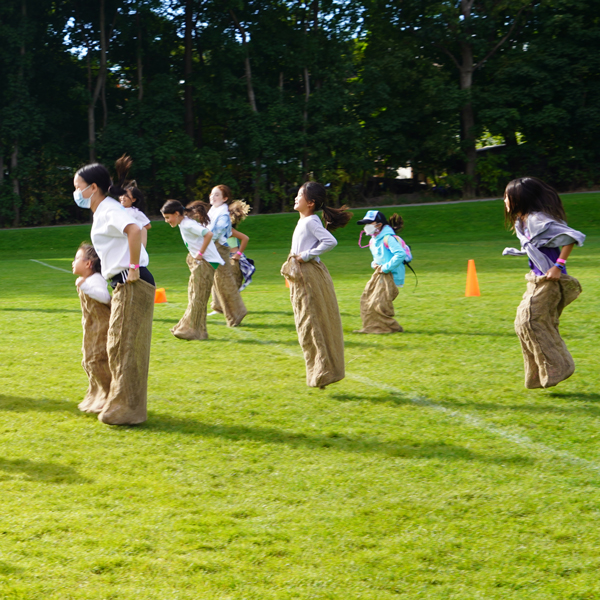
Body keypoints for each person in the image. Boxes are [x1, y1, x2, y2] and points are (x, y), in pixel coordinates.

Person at [73, 160, 155, 425]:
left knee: (124, 347)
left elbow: (135, 228)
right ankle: (118, 404)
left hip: (132, 280)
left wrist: (133, 266)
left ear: (93, 187)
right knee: (118, 346)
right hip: (120, 281)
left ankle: (127, 410)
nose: (76, 193)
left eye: (79, 188)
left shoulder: (109, 208)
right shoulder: (103, 211)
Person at [502, 177, 585, 389]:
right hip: (536, 278)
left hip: (549, 280)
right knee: (522, 323)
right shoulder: (522, 220)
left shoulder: (536, 219)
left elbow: (571, 237)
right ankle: (538, 374)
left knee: (530, 321)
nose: (504, 200)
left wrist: (558, 266)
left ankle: (559, 366)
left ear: (520, 199)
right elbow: (538, 245)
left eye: (507, 196)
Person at [280, 181, 351, 388]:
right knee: (306, 323)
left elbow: (330, 241)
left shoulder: (311, 221)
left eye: (299, 195)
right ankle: (320, 373)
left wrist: (307, 255)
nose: (295, 198)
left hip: (308, 276)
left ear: (310, 202)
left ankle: (323, 373)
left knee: (312, 323)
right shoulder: (305, 220)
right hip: (300, 275)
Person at [161, 199, 224, 340]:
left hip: (207, 262)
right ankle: (197, 331)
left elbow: (208, 234)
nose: (166, 221)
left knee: (197, 297)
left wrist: (200, 253)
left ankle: (192, 331)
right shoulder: (183, 223)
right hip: (205, 262)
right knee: (194, 294)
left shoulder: (188, 224)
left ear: (176, 214)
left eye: (167, 217)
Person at [72, 243, 112, 414]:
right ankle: (95, 394)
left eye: (76, 259)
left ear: (88, 264)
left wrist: (85, 285)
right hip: (90, 326)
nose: (72, 262)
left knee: (97, 360)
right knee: (87, 361)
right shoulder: (87, 280)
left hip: (101, 326)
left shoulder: (95, 280)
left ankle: (108, 396)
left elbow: (104, 297)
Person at [354, 210, 408, 334]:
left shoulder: (388, 238)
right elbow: (378, 257)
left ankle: (382, 328)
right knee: (369, 300)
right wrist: (374, 264)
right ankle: (380, 327)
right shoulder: (373, 240)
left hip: (391, 275)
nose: (366, 226)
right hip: (381, 274)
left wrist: (385, 268)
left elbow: (400, 254)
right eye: (365, 223)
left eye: (369, 223)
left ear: (379, 224)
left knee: (377, 304)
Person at [207, 185, 247, 327]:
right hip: (214, 247)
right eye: (212, 194)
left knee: (225, 281)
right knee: (218, 281)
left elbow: (216, 233)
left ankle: (237, 313)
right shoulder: (213, 210)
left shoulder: (223, 214)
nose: (213, 197)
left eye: (217, 195)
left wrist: (204, 240)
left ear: (225, 198)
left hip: (221, 249)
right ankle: (226, 310)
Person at [114, 155, 152, 247]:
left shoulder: (135, 212)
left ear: (134, 199)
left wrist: (134, 231)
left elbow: (148, 225)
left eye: (126, 196)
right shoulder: (116, 209)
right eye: (121, 195)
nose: (122, 197)